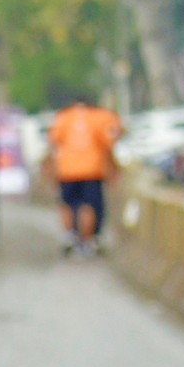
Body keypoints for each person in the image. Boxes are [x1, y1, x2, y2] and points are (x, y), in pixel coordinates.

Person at [47, 96, 122, 255]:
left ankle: (69, 237)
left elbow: (53, 143)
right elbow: (108, 143)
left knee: (68, 203)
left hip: (67, 169)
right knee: (88, 205)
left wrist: (52, 169)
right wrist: (114, 167)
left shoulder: (64, 117)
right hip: (91, 169)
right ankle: (87, 241)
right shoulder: (99, 117)